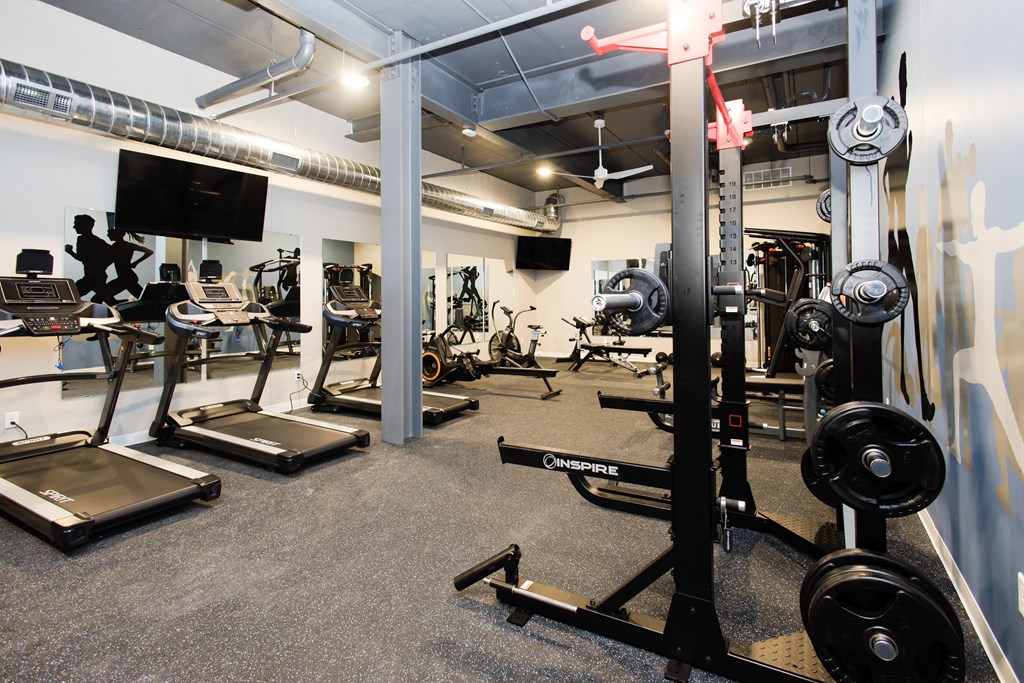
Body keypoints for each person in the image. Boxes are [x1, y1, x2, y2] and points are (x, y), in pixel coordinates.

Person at [64, 214, 112, 301]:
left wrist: (70, 251)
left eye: (76, 224)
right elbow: (113, 254)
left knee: (70, 296)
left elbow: (82, 258)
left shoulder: (82, 239)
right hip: (97, 276)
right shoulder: (97, 240)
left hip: (92, 277)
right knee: (103, 299)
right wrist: (102, 266)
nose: (74, 227)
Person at [100, 227, 154, 303]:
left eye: (109, 233)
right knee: (145, 299)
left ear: (116, 235)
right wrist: (135, 263)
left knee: (100, 296)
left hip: (125, 279)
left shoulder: (116, 246)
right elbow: (149, 252)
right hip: (128, 277)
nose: (107, 235)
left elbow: (149, 251)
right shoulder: (127, 245)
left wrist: (135, 263)